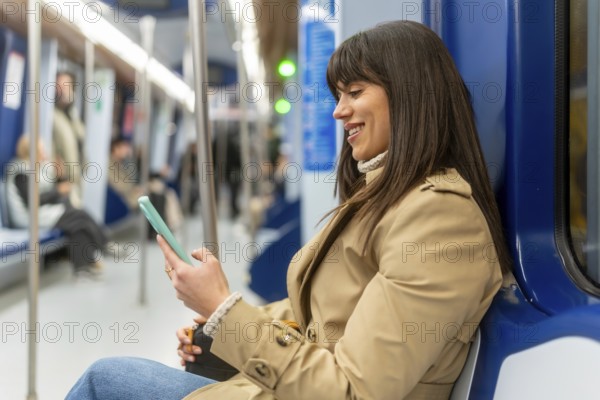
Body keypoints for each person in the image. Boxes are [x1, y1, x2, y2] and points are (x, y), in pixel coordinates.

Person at [66, 21, 510, 399]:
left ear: (413, 98)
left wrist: (225, 309)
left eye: (355, 91)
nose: (339, 112)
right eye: (338, 95)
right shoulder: (382, 197)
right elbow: (319, 318)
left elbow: (353, 389)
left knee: (104, 382)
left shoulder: (439, 222)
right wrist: (223, 326)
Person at [5, 135, 108, 279]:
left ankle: (83, 267)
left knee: (77, 223)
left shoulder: (36, 168)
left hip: (40, 213)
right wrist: (58, 190)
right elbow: (33, 200)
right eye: (41, 151)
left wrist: (60, 178)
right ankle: (104, 245)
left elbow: (48, 192)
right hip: (28, 217)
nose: (45, 155)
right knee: (78, 216)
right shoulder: (20, 171)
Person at [53, 71, 86, 208]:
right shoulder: (51, 116)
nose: (64, 90)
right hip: (61, 181)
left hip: (76, 179)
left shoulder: (73, 115)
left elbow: (80, 140)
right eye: (60, 86)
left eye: (67, 86)